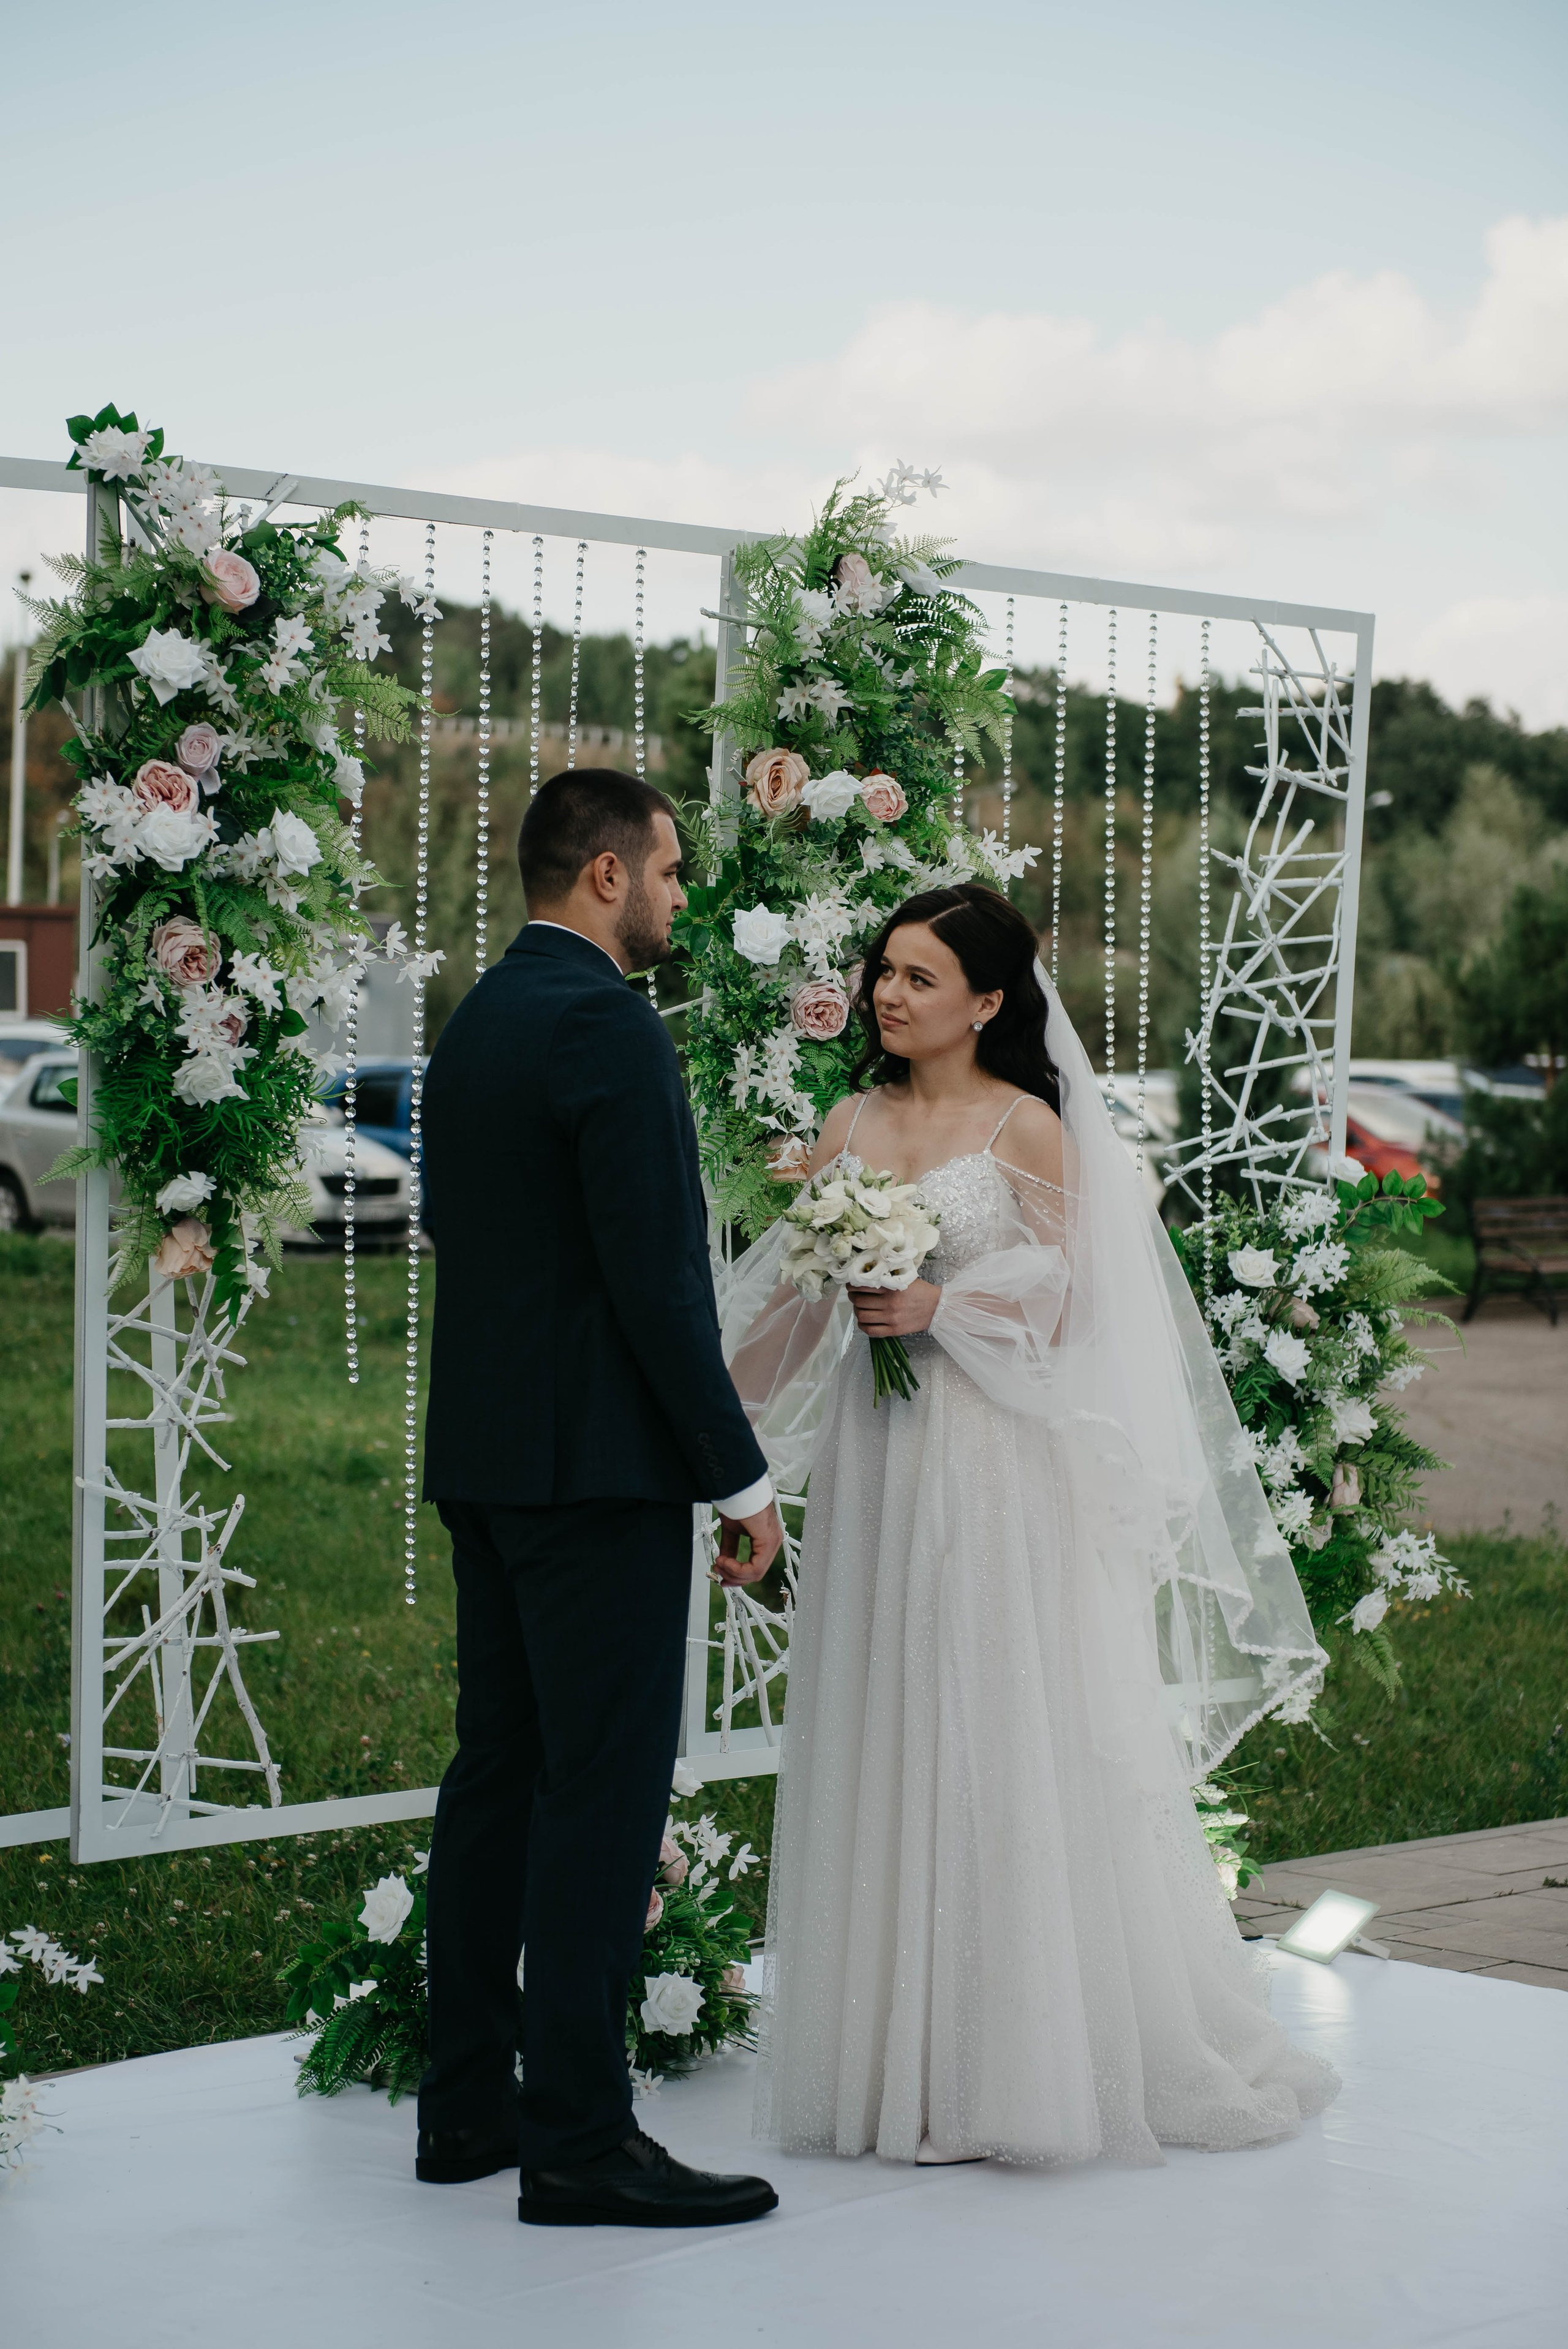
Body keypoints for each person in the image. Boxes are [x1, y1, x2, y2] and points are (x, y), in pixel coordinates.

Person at [723, 883, 1339, 2167]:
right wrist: (710, 1431)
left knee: (983, 1721)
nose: (890, 995)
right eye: (884, 971)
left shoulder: (1029, 1131)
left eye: (920, 978)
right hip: (876, 1457)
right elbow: (788, 1315)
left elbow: (1071, 1317)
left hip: (987, 1465)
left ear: (989, 1003)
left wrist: (936, 1304)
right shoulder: (849, 1119)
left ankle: (1012, 2060)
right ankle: (891, 2056)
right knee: (884, 1714)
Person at [417, 768, 781, 2228]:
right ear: (608, 876)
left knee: (495, 1776)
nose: (684, 898)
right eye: (674, 873)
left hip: (487, 1460)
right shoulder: (613, 1032)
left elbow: (470, 1232)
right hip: (600, 1477)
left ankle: (465, 2111)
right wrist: (738, 1475)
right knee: (605, 1796)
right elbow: (654, 1283)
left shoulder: (477, 1023)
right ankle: (576, 2134)